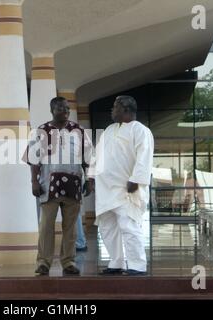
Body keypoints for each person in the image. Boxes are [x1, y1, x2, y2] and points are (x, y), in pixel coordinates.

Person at [24, 97, 94, 276]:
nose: (65, 111)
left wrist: (90, 180)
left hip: (74, 184)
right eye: (60, 108)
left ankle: (68, 261)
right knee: (46, 226)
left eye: (67, 108)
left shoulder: (79, 131)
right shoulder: (42, 131)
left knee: (70, 227)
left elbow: (89, 158)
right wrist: (34, 181)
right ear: (52, 110)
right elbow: (33, 159)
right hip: (48, 186)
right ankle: (43, 263)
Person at [95, 96, 154, 276]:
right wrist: (90, 178)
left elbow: (144, 157)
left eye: (115, 107)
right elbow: (97, 155)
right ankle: (116, 262)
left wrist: (135, 180)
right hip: (105, 189)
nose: (112, 110)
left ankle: (137, 265)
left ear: (125, 108)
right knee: (107, 227)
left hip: (126, 189)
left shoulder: (140, 130)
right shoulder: (109, 130)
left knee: (129, 226)